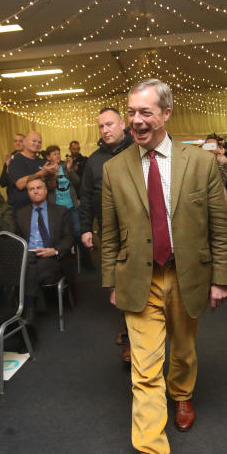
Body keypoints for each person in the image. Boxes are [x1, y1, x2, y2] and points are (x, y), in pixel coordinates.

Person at [101, 78, 227, 454]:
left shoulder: (199, 163)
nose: (136, 121)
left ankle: (183, 393)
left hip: (186, 274)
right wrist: (111, 282)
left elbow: (219, 226)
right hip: (138, 278)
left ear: (165, 114)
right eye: (131, 112)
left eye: (145, 112)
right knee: (143, 370)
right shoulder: (113, 168)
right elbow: (108, 235)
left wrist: (221, 279)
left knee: (183, 349)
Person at [79, 107, 135, 362]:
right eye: (101, 126)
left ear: (123, 124)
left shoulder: (139, 150)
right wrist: (86, 228)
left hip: (139, 228)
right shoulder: (94, 160)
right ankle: (129, 338)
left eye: (110, 124)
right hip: (109, 231)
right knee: (119, 283)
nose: (105, 130)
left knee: (141, 282)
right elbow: (87, 197)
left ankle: (140, 330)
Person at [14, 177, 74, 322]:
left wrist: (54, 250)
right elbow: (18, 239)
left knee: (27, 269)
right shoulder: (20, 214)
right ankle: (32, 307)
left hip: (52, 257)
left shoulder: (61, 211)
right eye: (31, 189)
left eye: (39, 188)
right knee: (29, 262)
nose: (35, 191)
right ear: (27, 193)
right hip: (30, 255)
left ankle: (29, 308)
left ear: (46, 190)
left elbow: (69, 238)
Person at [7, 132, 56, 209]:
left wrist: (51, 175)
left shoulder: (42, 162)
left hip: (42, 207)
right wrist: (42, 172)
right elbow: (20, 184)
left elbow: (51, 188)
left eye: (39, 142)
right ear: (25, 142)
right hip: (23, 208)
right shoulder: (16, 159)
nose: (37, 144)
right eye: (34, 141)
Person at [45, 144, 81, 246]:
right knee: (61, 234)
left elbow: (77, 181)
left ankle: (81, 255)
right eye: (54, 154)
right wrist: (54, 175)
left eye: (58, 153)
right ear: (48, 157)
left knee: (78, 232)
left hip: (71, 205)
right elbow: (49, 188)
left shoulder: (65, 166)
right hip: (57, 208)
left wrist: (70, 169)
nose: (57, 155)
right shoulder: (46, 170)